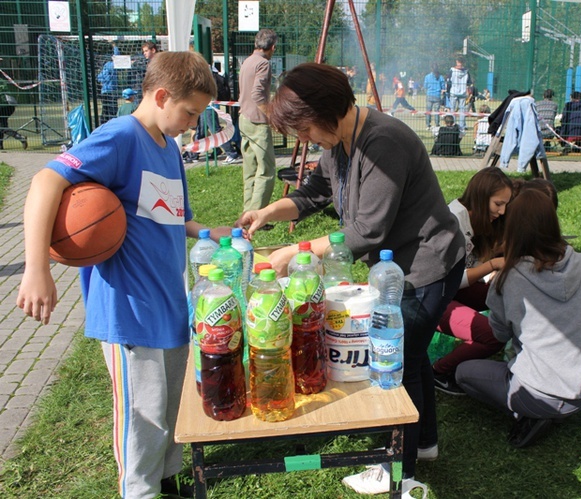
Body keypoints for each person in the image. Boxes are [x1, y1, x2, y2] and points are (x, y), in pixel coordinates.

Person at [234, 62, 465, 495]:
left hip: (426, 266)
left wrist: (292, 252)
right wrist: (268, 213)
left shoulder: (383, 142)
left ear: (325, 111)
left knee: (395, 364)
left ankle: (399, 470)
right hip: (398, 266)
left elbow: (367, 231)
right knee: (412, 357)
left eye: (303, 129)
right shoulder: (338, 139)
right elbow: (313, 194)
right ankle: (425, 443)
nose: (303, 139)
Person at [16, 51, 231, 498]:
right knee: (142, 413)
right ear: (160, 95)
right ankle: (140, 488)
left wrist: (213, 232)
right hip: (130, 310)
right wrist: (36, 269)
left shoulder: (168, 148)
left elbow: (174, 217)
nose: (194, 124)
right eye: (190, 113)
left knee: (170, 407)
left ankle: (167, 479)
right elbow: (45, 183)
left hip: (169, 303)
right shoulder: (120, 136)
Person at [456, 188, 581, 448]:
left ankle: (529, 413)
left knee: (463, 373)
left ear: (512, 229)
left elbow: (499, 333)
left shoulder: (509, 277)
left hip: (536, 392)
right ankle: (540, 410)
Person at [432, 168, 512, 395]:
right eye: (498, 204)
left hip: (450, 291)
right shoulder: (452, 222)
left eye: (505, 204)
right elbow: (450, 280)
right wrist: (493, 265)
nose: (502, 211)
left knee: (505, 293)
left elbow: (470, 264)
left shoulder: (473, 218)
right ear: (481, 195)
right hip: (432, 296)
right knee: (493, 336)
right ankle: (438, 372)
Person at [238, 28, 277, 220]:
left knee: (250, 169)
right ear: (273, 47)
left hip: (243, 118)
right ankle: (256, 216)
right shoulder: (263, 64)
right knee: (267, 170)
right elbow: (257, 94)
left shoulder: (247, 61)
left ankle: (247, 211)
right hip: (257, 122)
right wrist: (271, 116)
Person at [449, 57, 471, 130]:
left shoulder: (452, 70)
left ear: (457, 61)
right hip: (463, 92)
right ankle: (462, 126)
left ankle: (453, 125)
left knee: (452, 109)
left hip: (453, 91)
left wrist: (447, 90)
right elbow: (469, 82)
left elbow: (448, 80)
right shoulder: (466, 71)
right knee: (462, 110)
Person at [423, 63, 446, 129]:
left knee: (428, 111)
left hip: (429, 95)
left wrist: (427, 92)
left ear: (431, 68)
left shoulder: (427, 77)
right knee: (437, 111)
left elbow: (425, 86)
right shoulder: (441, 77)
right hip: (437, 96)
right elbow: (443, 87)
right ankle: (437, 124)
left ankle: (428, 125)